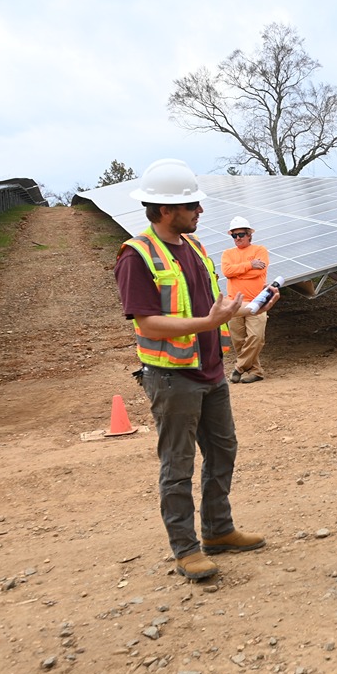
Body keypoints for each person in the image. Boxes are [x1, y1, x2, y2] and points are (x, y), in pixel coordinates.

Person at [114, 159, 274, 581]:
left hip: (210, 371)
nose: (200, 211)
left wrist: (249, 307)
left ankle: (219, 531)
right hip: (172, 376)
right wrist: (206, 324)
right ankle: (186, 549)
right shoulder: (137, 256)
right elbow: (147, 322)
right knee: (178, 464)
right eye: (192, 205)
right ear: (166, 210)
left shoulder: (197, 248)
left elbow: (213, 305)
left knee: (223, 451)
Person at [221, 216, 270, 384]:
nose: (238, 238)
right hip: (234, 303)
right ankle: (256, 371)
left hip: (257, 302)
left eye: (241, 234)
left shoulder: (259, 250)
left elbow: (259, 272)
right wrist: (249, 265)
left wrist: (238, 272)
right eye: (234, 236)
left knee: (256, 337)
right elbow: (227, 271)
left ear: (249, 234)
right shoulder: (228, 253)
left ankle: (239, 368)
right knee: (239, 340)